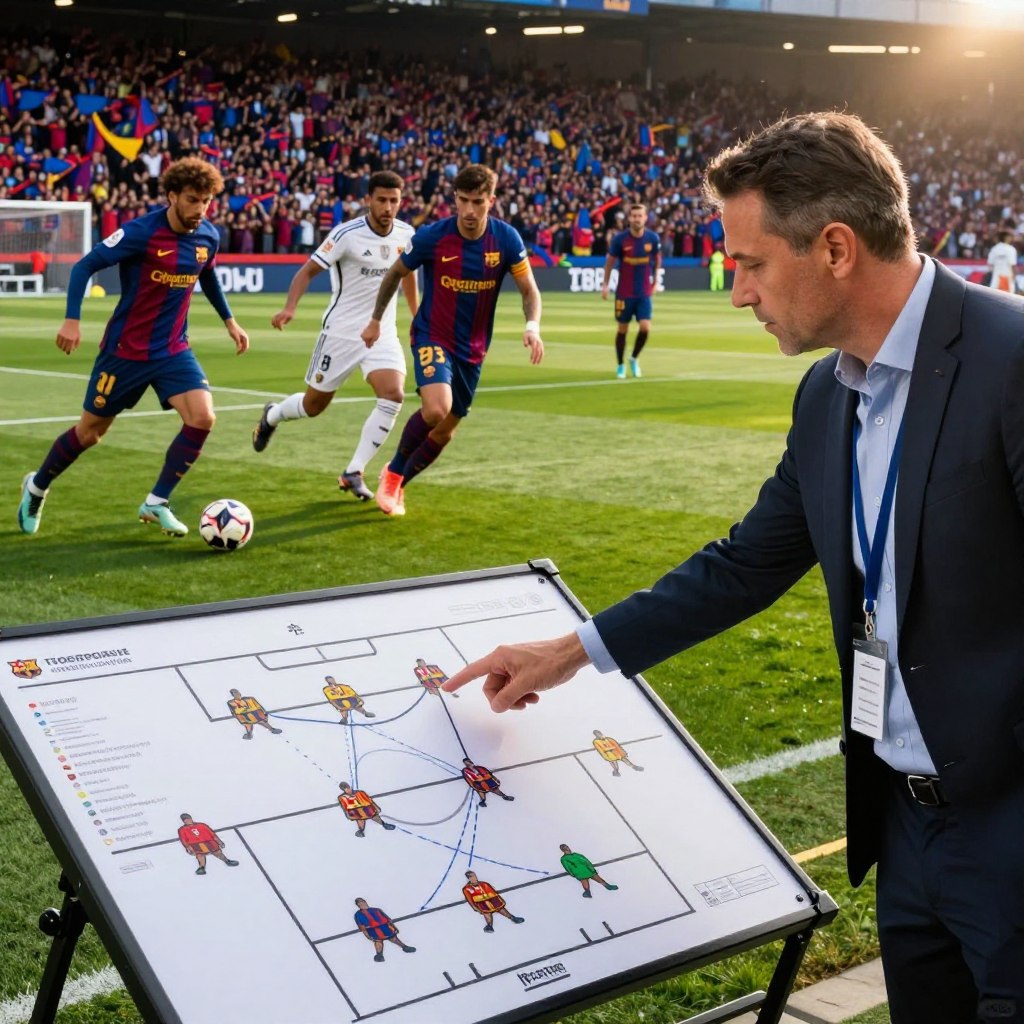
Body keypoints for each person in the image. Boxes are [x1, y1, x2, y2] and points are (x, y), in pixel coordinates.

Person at [445, 112, 1024, 1024]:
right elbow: (744, 566)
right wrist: (569, 652)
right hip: (905, 828)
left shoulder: (1011, 360)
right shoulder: (827, 394)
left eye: (750, 264)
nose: (737, 293)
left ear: (835, 248)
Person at [17, 157, 249, 538]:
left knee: (202, 417)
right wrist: (72, 319)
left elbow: (207, 275)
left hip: (173, 349)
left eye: (206, 201)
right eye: (192, 200)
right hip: (125, 352)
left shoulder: (208, 236)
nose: (200, 209)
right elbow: (84, 266)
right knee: (89, 434)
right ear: (172, 196)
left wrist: (230, 320)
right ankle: (37, 486)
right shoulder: (140, 232)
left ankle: (157, 502)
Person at [360, 164, 544, 517]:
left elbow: (529, 290)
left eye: (478, 202)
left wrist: (532, 326)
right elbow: (395, 274)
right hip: (432, 334)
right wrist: (376, 320)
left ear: (491, 201)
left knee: (444, 432)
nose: (470, 210)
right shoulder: (433, 236)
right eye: (464, 201)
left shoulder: (506, 240)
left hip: (473, 348)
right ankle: (394, 473)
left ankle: (398, 481)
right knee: (435, 409)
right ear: (454, 199)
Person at [252, 171, 418, 501]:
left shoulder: (406, 233)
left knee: (393, 395)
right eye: (381, 200)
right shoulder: (346, 234)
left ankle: (353, 471)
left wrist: (418, 315)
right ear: (368, 200)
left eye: (394, 201)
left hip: (383, 332)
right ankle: (272, 415)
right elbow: (307, 271)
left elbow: (409, 275)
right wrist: (290, 308)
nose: (388, 207)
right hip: (341, 334)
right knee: (313, 405)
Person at [601, 202, 661, 379]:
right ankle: (620, 364)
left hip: (644, 292)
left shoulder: (652, 239)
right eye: (634, 216)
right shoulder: (620, 240)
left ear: (645, 218)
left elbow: (657, 259)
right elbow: (610, 263)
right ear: (629, 218)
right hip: (624, 292)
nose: (637, 219)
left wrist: (656, 280)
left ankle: (634, 358)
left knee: (645, 327)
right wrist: (605, 284)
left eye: (640, 216)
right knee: (622, 329)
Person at [353, 898, 416, 962]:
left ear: (365, 902)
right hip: (374, 931)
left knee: (394, 939)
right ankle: (379, 956)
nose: (362, 904)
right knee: (378, 942)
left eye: (362, 902)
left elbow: (388, 920)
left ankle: (405, 947)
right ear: (358, 905)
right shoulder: (358, 915)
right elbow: (362, 927)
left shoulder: (376, 910)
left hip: (385, 928)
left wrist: (394, 927)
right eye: (359, 903)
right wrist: (367, 936)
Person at [986, 230, 1019, 294]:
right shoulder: (1011, 249)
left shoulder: (994, 249)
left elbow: (990, 264)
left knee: (994, 295)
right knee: (1008, 297)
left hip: (996, 277)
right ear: (1006, 237)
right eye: (1010, 237)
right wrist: (1014, 275)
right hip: (1007, 278)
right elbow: (1013, 265)